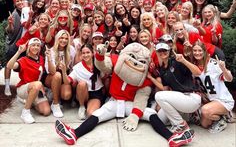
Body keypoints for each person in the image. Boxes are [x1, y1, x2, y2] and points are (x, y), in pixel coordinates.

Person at [55, 42, 194, 147]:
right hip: (114, 101)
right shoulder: (117, 59)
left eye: (140, 60)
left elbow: (142, 98)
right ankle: (74, 134)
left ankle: (171, 138)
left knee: (151, 113)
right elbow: (103, 65)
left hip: (131, 104)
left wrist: (135, 114)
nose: (134, 61)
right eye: (132, 57)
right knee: (98, 114)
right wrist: (100, 55)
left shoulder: (145, 76)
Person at [154, 42, 202, 133]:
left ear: (169, 51)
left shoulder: (176, 61)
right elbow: (166, 89)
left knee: (158, 95)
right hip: (180, 99)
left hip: (191, 97)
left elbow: (197, 72)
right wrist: (161, 105)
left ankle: (180, 124)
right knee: (161, 119)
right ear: (156, 52)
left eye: (164, 50)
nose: (162, 52)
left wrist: (183, 60)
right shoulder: (162, 69)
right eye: (159, 51)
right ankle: (187, 116)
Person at [192, 40, 235, 133]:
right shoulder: (195, 66)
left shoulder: (213, 63)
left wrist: (223, 68)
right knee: (205, 125)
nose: (197, 53)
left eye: (200, 50)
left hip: (224, 100)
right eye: (194, 50)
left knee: (205, 111)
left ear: (204, 51)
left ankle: (222, 119)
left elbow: (229, 79)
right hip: (212, 99)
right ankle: (222, 114)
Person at [7, 38, 50, 123]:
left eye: (38, 45)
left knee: (46, 111)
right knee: (37, 84)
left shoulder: (41, 59)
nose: (36, 47)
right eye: (33, 45)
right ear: (29, 47)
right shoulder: (23, 60)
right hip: (24, 88)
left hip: (36, 88)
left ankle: (30, 101)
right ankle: (25, 112)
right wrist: (18, 52)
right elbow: (9, 65)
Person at [60, 43, 104, 120]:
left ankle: (96, 104)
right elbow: (67, 82)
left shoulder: (98, 63)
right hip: (84, 93)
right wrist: (64, 71)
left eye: (88, 52)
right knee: (82, 83)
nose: (85, 55)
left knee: (90, 114)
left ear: (92, 53)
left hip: (96, 93)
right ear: (81, 54)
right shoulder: (78, 67)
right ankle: (81, 106)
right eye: (83, 53)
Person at [45, 30, 76, 118]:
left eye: (66, 38)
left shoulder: (71, 50)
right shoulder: (51, 51)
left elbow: (73, 67)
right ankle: (55, 104)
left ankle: (55, 93)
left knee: (66, 95)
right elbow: (52, 72)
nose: (64, 40)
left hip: (64, 76)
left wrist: (64, 71)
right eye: (61, 38)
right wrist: (50, 58)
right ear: (57, 39)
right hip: (51, 77)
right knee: (57, 75)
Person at [4, 0, 24, 96]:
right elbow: (9, 31)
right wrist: (10, 23)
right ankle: (7, 86)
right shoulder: (14, 14)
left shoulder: (25, 12)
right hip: (12, 44)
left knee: (22, 66)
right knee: (8, 65)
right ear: (15, 4)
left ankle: (22, 85)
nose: (20, 2)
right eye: (18, 1)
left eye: (21, 0)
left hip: (21, 44)